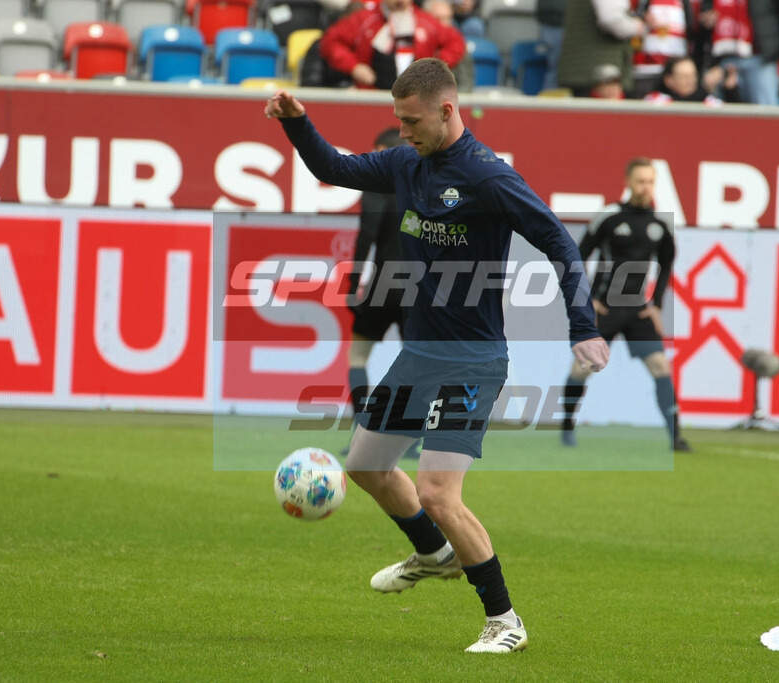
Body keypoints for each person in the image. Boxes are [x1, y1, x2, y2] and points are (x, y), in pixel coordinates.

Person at [264, 58, 610, 654]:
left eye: (410, 120)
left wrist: (582, 324)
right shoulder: (407, 162)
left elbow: (557, 239)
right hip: (421, 351)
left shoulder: (487, 177)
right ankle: (433, 554)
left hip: (473, 358)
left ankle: (505, 622)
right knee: (366, 467)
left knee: (438, 493)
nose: (402, 130)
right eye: (397, 120)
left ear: (447, 111)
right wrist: (297, 123)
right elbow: (334, 167)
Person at [559, 157, 691, 453]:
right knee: (583, 367)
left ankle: (675, 437)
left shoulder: (660, 223)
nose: (646, 187)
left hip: (637, 309)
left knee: (660, 366)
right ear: (629, 183)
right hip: (604, 308)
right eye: (641, 181)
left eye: (650, 182)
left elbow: (667, 263)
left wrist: (656, 304)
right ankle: (566, 428)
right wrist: (589, 299)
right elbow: (578, 255)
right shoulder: (610, 217)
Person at [343, 127, 417, 459]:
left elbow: (366, 237)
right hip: (417, 290)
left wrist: (352, 286)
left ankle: (362, 435)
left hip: (383, 287)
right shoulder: (422, 187)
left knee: (357, 358)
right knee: (418, 363)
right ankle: (410, 441)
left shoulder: (376, 188)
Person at [319, 0, 466, 89]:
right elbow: (330, 42)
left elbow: (456, 43)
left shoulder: (426, 21)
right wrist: (354, 66)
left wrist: (433, 67)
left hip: (417, 97)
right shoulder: (364, 19)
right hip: (372, 96)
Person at [696, 0, 779, 104]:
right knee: (722, 110)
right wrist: (707, 13)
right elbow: (707, 7)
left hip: (760, 55)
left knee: (765, 111)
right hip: (723, 55)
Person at [643, 55, 743, 103]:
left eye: (692, 75)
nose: (690, 81)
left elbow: (736, 121)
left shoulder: (707, 101)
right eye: (684, 76)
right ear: (669, 80)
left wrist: (731, 92)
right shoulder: (655, 102)